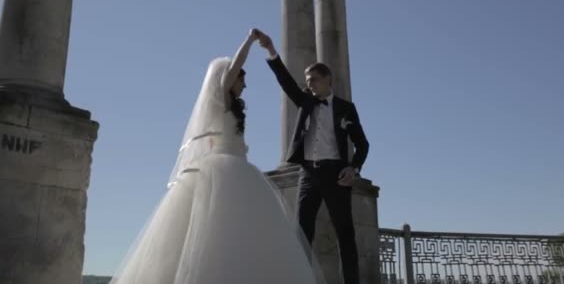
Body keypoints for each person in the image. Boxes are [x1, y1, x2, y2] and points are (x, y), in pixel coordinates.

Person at [110, 29, 324, 284]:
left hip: (240, 168)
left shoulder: (231, 105)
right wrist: (251, 40)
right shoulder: (221, 98)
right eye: (241, 79)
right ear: (230, 80)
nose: (244, 84)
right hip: (225, 172)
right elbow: (236, 65)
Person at [257, 30, 370, 284]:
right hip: (309, 173)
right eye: (307, 80)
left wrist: (354, 168)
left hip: (337, 174)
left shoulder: (346, 109)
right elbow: (286, 81)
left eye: (314, 80)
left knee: (345, 233)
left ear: (328, 79)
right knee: (301, 234)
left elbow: (362, 144)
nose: (309, 84)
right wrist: (271, 51)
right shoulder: (305, 101)